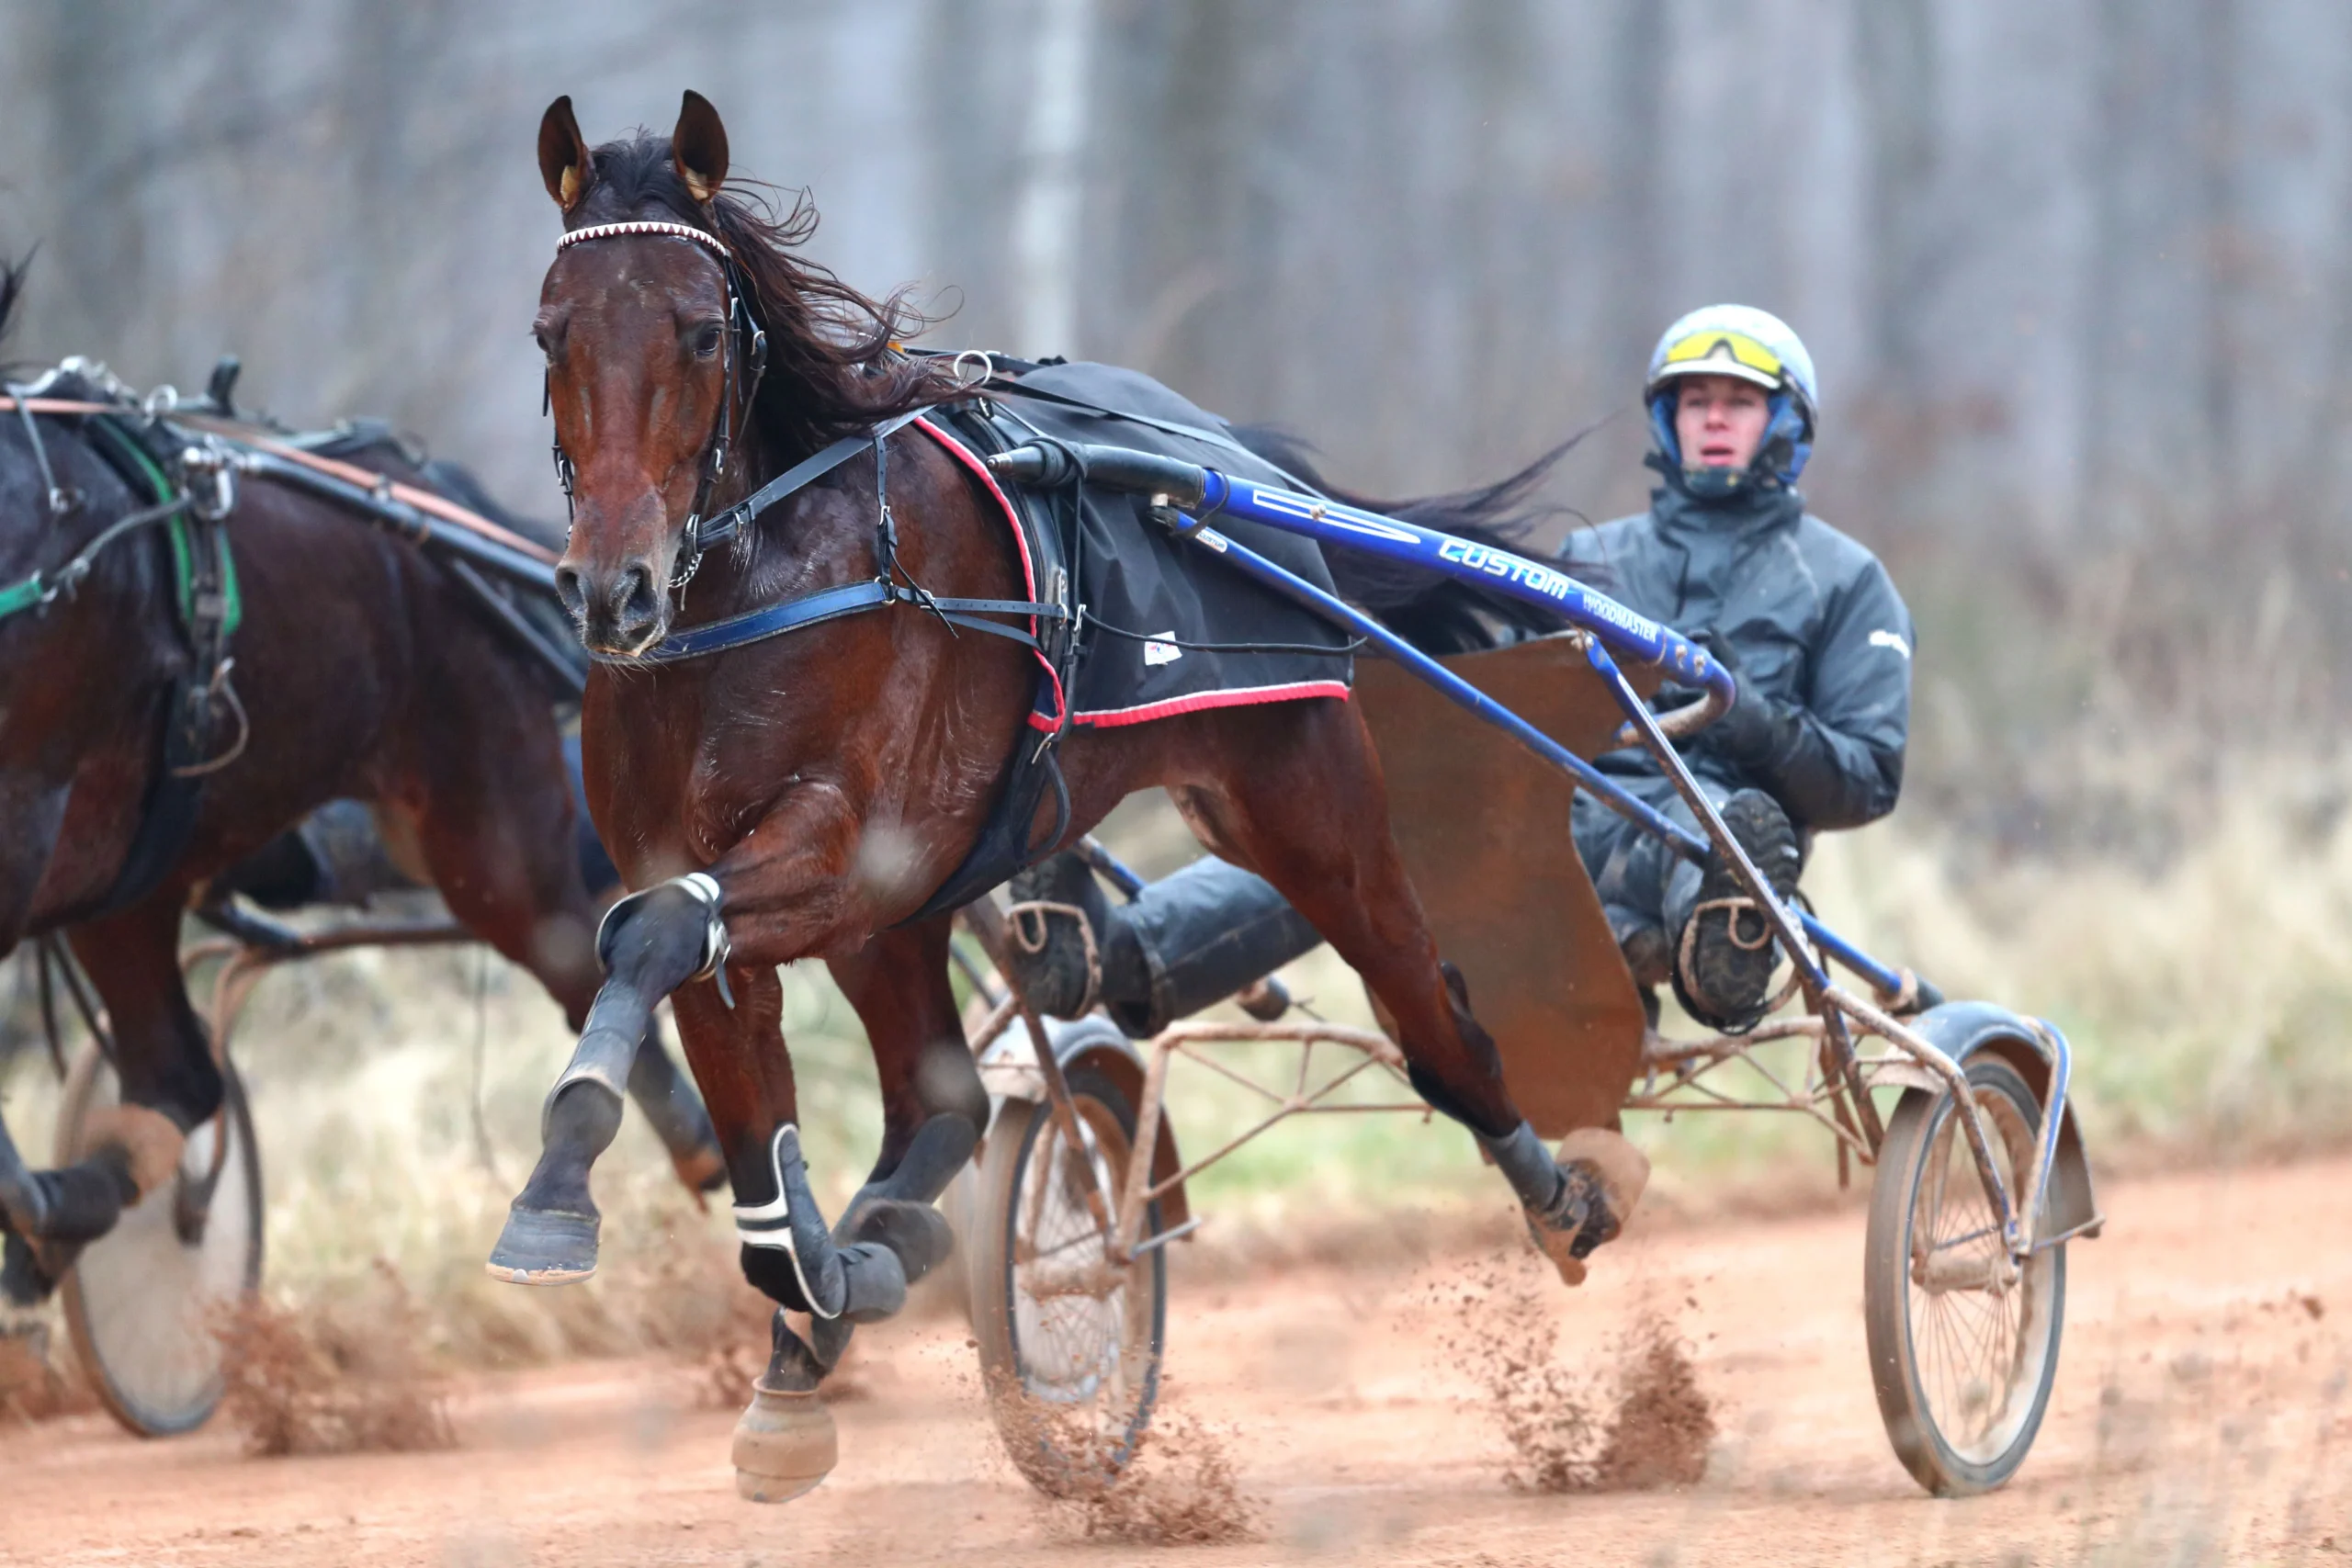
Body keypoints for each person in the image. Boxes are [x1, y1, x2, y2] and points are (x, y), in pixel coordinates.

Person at [1005, 303, 1913, 1036]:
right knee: (1346, 825)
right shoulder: (1592, 554)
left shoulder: (1844, 580)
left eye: (1738, 402)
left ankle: (1721, 946)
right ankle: (1120, 955)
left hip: (1684, 834)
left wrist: (1731, 708)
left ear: (1787, 423)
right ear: (1667, 422)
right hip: (1539, 821)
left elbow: (1866, 779)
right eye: (1693, 401)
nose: (1712, 418)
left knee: (1713, 824)